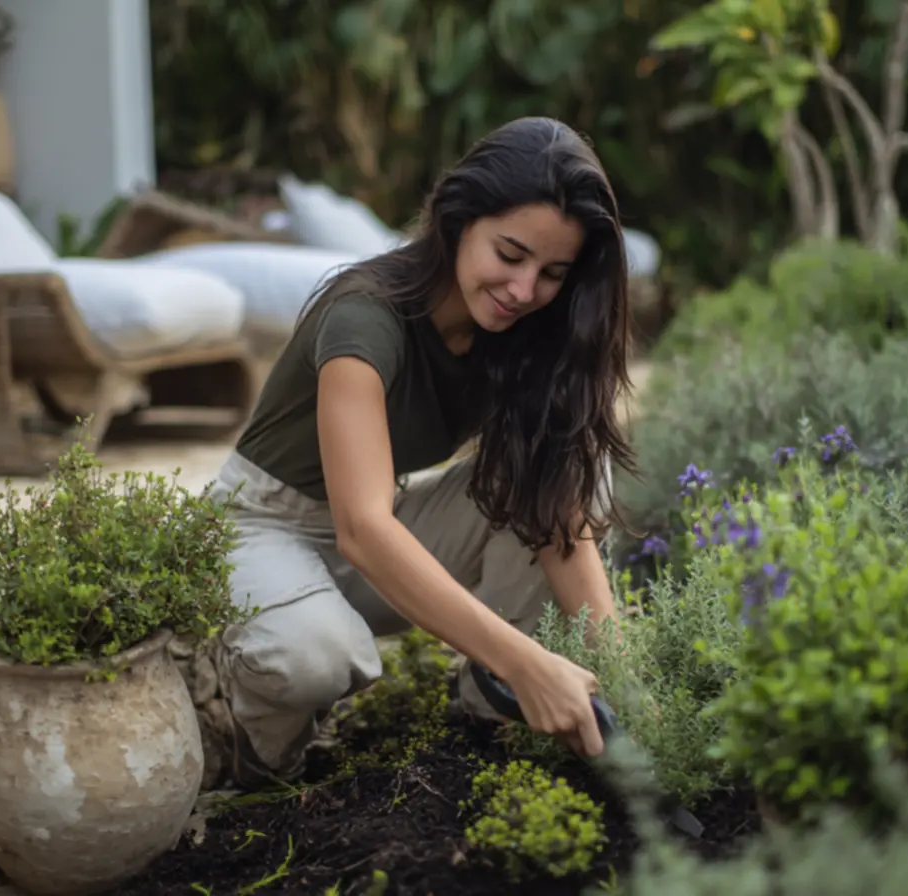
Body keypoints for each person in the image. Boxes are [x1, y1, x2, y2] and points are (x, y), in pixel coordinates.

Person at [207, 116, 638, 791]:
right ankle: (251, 750)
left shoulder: (523, 334)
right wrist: (528, 661)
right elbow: (364, 529)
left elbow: (557, 521)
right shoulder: (364, 319)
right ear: (456, 220)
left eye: (552, 272)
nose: (524, 290)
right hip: (259, 525)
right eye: (510, 254)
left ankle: (487, 715)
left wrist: (631, 691)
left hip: (363, 527)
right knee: (318, 658)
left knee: (575, 474)